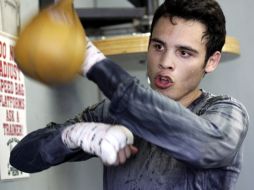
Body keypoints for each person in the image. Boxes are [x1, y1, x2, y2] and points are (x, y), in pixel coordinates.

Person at [10, 0, 249, 189]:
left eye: (184, 53)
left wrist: (94, 64)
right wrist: (72, 136)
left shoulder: (226, 112)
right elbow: (20, 158)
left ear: (212, 61)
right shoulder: (112, 113)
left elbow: (206, 146)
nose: (165, 62)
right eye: (158, 46)